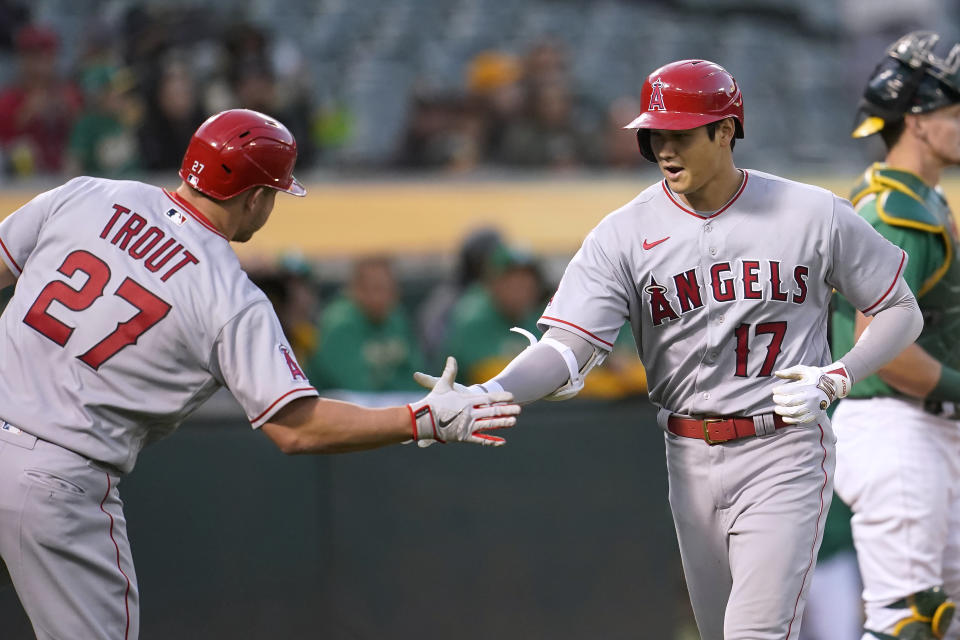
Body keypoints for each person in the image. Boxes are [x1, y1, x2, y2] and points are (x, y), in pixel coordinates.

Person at [414, 59, 924, 639]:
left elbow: (901, 311)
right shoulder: (623, 233)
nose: (664, 147)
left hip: (782, 447)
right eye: (654, 133)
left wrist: (839, 374)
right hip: (686, 453)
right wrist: (491, 392)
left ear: (726, 130)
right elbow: (567, 347)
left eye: (680, 132)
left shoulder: (812, 212)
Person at [0, 108, 520, 640]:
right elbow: (298, 428)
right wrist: (421, 419)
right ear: (254, 198)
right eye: (272, 194)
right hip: (57, 477)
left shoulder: (86, 194)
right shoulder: (230, 294)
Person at [832, 31, 960, 640]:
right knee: (910, 621)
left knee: (946, 621)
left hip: (926, 425)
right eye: (955, 113)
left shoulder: (921, 199)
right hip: (894, 425)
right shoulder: (893, 211)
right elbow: (882, 348)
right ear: (916, 121)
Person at [306, 255, 425, 392]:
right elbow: (355, 387)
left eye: (390, 288)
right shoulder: (340, 323)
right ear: (356, 290)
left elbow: (419, 378)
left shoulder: (396, 319)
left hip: (389, 405)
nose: (385, 296)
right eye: (377, 288)